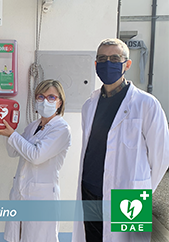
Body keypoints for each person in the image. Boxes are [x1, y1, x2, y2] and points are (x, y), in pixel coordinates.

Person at [72, 38, 169, 242]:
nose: (108, 63)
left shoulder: (146, 104)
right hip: (90, 191)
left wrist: (140, 193)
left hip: (129, 196)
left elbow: (161, 158)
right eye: (102, 58)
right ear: (96, 64)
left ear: (127, 64)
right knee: (92, 238)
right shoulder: (90, 104)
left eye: (115, 58)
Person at [0, 79, 71, 242]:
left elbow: (36, 156)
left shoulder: (61, 129)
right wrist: (6, 130)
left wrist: (12, 135)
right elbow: (13, 151)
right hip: (21, 193)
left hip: (41, 198)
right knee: (17, 237)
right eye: (40, 97)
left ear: (59, 102)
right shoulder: (33, 126)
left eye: (51, 97)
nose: (45, 101)